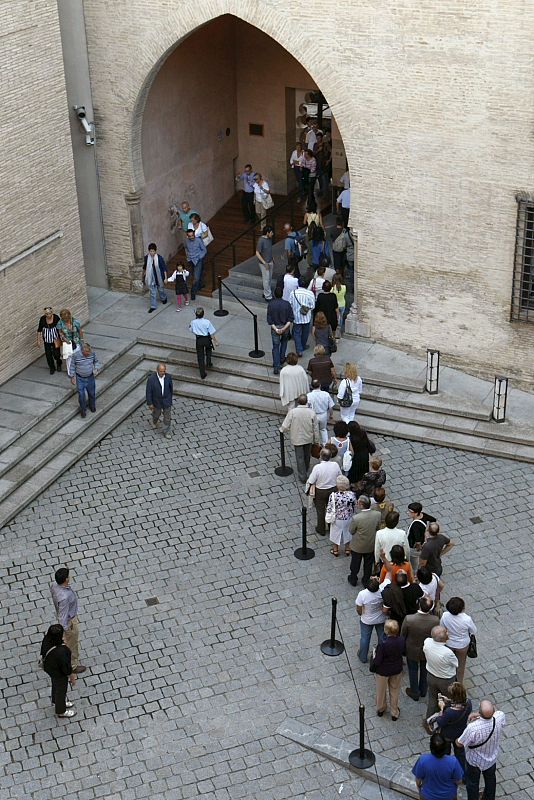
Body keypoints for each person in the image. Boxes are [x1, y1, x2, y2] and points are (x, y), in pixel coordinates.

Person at [456, 699, 506, 800]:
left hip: (474, 761)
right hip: (491, 758)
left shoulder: (473, 728)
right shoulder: (500, 716)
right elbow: (496, 713)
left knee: (472, 783)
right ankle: (489, 797)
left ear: (480, 711)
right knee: (491, 779)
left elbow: (459, 744)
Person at [401, 596, 440, 702]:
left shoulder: (409, 619)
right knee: (425, 669)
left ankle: (414, 692)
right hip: (427, 649)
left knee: (413, 670)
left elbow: (403, 634)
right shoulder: (435, 620)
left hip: (412, 649)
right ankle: (423, 690)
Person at [50, 567, 86, 674]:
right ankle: (73, 666)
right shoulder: (64, 597)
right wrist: (66, 629)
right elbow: (63, 616)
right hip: (69, 621)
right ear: (66, 579)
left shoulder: (54, 586)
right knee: (72, 644)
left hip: (65, 616)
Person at [430, 682, 472, 770]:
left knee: (445, 754)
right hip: (460, 732)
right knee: (460, 754)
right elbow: (458, 705)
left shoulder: (449, 712)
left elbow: (440, 721)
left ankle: (446, 770)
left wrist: (442, 707)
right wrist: (448, 701)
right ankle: (462, 773)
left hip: (447, 736)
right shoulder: (468, 703)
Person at [279, 394, 319, 483]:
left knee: (299, 457)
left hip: (297, 439)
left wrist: (282, 430)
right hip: (308, 438)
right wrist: (316, 440)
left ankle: (302, 476)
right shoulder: (311, 412)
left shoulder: (293, 412)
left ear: (298, 402)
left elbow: (285, 426)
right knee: (307, 455)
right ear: (307, 402)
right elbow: (316, 428)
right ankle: (306, 468)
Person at [40, 624, 77, 718]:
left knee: (55, 684)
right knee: (61, 690)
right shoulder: (63, 651)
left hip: (50, 668)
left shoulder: (47, 640)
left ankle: (56, 701)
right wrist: (71, 676)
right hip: (59, 673)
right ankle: (61, 710)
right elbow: (66, 668)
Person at [412, 732, 463, 800]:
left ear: (431, 746)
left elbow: (418, 780)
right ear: (445, 748)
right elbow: (459, 781)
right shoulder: (453, 761)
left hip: (428, 795)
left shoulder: (423, 760)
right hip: (448, 796)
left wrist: (420, 789)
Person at [423, 626, 459, 718]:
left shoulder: (427, 642)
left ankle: (429, 719)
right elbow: (456, 664)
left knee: (432, 697)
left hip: (431, 675)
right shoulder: (448, 653)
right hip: (446, 680)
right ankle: (446, 717)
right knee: (448, 699)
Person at [373, 619, 405, 721]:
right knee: (394, 690)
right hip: (396, 669)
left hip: (383, 671)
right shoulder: (401, 640)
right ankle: (394, 712)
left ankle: (381, 708)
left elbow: (377, 661)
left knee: (381, 691)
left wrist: (374, 655)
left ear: (386, 631)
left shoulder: (383, 644)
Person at [440, 597, 477, 685]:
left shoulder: (445, 615)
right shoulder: (466, 619)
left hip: (449, 643)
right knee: (460, 665)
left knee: (448, 664)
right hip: (462, 645)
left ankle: (449, 681)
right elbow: (473, 631)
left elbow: (441, 627)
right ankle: (458, 684)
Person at [306, 447, 341, 536]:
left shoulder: (317, 467)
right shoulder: (335, 465)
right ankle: (330, 526)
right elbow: (340, 476)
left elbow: (311, 480)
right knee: (331, 509)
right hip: (333, 489)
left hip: (320, 491)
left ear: (321, 456)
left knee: (320, 511)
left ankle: (321, 529)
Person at [348, 495, 381, 587]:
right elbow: (378, 528)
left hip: (358, 546)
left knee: (355, 563)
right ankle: (366, 580)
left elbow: (351, 531)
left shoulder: (356, 518)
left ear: (361, 505)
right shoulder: (377, 514)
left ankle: (353, 578)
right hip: (371, 544)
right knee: (368, 564)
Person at [356, 575, 386, 662]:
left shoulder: (362, 594)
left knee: (365, 639)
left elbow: (359, 608)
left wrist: (361, 614)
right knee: (381, 637)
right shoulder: (382, 591)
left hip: (367, 620)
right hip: (380, 619)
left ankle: (363, 657)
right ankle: (381, 655)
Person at [68, 342, 101, 417]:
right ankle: (83, 410)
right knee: (81, 395)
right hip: (80, 379)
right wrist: (72, 377)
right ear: (82, 351)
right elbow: (72, 366)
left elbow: (96, 362)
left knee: (92, 393)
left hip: (90, 377)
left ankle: (92, 406)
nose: (88, 354)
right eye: (87, 352)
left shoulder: (92, 353)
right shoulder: (76, 356)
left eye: (89, 352)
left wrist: (96, 368)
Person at [326, 475, 356, 556]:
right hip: (348, 518)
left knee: (335, 533)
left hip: (337, 518)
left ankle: (335, 550)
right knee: (347, 532)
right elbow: (354, 505)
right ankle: (347, 549)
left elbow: (330, 507)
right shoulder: (352, 495)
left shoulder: (334, 495)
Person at [267, 287, 294, 374]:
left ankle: (276, 365)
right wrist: (283, 328)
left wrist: (276, 329)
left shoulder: (271, 304)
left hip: (275, 328)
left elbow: (269, 320)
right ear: (282, 294)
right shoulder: (287, 304)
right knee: (284, 343)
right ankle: (282, 359)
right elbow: (290, 319)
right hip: (285, 327)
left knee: (275, 347)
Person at [189, 307, 219, 379]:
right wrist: (215, 341)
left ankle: (202, 373)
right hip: (206, 339)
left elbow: (191, 330)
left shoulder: (193, 322)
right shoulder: (207, 322)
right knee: (209, 349)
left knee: (200, 356)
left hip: (199, 339)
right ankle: (208, 362)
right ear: (203, 314)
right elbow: (211, 333)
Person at [146, 362, 173, 438]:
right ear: (157, 370)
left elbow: (171, 389)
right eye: (161, 371)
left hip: (166, 401)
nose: (163, 373)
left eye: (164, 371)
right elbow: (148, 392)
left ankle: (166, 432)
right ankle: (154, 421)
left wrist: (169, 399)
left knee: (167, 417)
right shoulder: (151, 379)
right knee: (156, 414)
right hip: (156, 401)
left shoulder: (168, 377)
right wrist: (150, 403)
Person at [289, 284, 316, 357]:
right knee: (305, 333)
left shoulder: (293, 292)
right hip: (306, 318)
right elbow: (313, 306)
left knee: (297, 333)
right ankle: (303, 346)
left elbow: (290, 304)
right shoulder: (310, 294)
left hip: (296, 317)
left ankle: (299, 350)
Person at [143, 242, 168, 312]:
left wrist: (165, 278)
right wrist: (143, 276)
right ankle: (153, 306)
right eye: (150, 251)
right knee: (152, 292)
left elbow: (164, 268)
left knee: (161, 290)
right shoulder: (146, 258)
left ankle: (163, 298)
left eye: (153, 251)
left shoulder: (159, 258)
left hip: (159, 277)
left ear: (155, 251)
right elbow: (145, 268)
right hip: (151, 278)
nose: (152, 253)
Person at [57, 308, 83, 375]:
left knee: (77, 356)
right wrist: (64, 338)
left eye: (66, 318)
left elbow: (80, 331)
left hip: (76, 341)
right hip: (67, 342)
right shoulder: (60, 323)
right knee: (69, 357)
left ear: (69, 315)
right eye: (63, 318)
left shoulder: (75, 322)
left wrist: (82, 340)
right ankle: (70, 372)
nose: (65, 320)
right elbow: (60, 332)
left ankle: (79, 370)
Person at [307, 379, 334, 444]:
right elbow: (330, 407)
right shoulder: (326, 394)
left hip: (313, 415)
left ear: (312, 386)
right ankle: (325, 444)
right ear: (320, 385)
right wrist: (331, 415)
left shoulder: (309, 395)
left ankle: (315, 445)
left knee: (314, 430)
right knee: (323, 429)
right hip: (323, 414)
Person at [37, 306, 62, 374]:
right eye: (46, 314)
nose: (48, 315)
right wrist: (38, 340)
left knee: (56, 354)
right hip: (47, 340)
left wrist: (62, 336)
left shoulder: (56, 317)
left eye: (49, 313)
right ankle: (52, 368)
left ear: (52, 312)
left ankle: (59, 363)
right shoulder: (42, 319)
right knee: (48, 355)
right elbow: (39, 330)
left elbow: (60, 327)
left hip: (55, 339)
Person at [184, 228, 207, 301]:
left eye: (192, 235)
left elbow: (204, 250)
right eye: (190, 236)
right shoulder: (186, 241)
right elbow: (186, 248)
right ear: (187, 236)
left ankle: (193, 292)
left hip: (198, 260)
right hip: (190, 260)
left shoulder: (198, 240)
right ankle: (200, 285)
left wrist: (200, 257)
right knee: (195, 274)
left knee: (196, 276)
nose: (191, 237)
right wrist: (187, 256)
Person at [407, 501, 428, 573]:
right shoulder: (423, 516)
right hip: (422, 542)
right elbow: (433, 520)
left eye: (410, 512)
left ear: (416, 513)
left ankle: (415, 574)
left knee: (414, 563)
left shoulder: (415, 525)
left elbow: (418, 540)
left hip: (413, 548)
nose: (408, 513)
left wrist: (418, 548)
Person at [256, 225, 275, 302]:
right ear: (267, 233)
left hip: (270, 261)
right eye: (271, 232)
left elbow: (268, 249)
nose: (272, 234)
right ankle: (268, 296)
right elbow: (257, 253)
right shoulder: (261, 240)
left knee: (269, 278)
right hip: (264, 263)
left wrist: (272, 257)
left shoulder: (269, 239)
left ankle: (266, 292)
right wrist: (264, 263)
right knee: (266, 279)